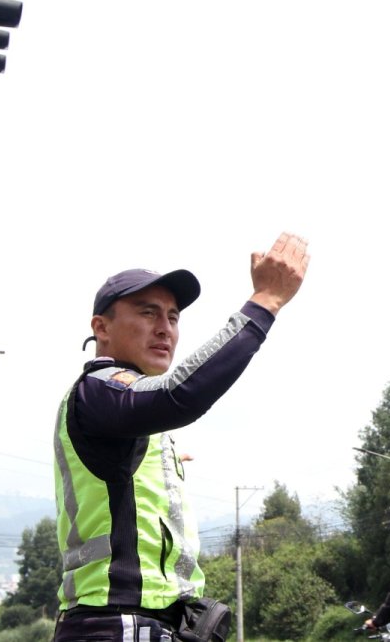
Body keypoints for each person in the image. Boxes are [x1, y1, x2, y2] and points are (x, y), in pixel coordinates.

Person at [52, 232, 310, 642]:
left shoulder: (133, 415)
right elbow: (178, 395)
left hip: (151, 623)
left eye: (173, 317)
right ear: (101, 327)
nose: (165, 328)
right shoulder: (99, 389)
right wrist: (264, 303)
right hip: (112, 623)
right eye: (148, 313)